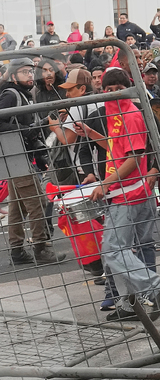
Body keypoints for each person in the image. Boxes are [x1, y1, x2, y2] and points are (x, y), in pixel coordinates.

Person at [76, 69, 160, 320]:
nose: (112, 93)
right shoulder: (117, 113)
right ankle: (128, 305)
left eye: (117, 88)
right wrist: (91, 134)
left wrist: (106, 183)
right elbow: (117, 149)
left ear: (128, 87)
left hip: (129, 193)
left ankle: (153, 288)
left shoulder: (131, 114)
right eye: (107, 89)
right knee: (121, 251)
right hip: (127, 192)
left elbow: (135, 157)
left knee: (114, 250)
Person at [0, 58, 62, 265]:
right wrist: (35, 126)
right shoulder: (11, 95)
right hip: (16, 157)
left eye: (31, 72)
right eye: (24, 72)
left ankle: (17, 251)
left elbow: (27, 129)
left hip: (17, 157)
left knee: (17, 207)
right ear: (13, 76)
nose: (30, 76)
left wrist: (40, 155)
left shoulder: (22, 95)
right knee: (38, 203)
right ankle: (41, 249)